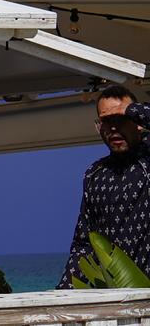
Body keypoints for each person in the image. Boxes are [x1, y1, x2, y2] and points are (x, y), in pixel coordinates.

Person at [59, 84, 150, 287]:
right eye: (107, 121)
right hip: (115, 300)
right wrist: (63, 292)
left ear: (138, 123)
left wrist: (132, 110)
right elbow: (84, 244)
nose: (114, 128)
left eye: (121, 119)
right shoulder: (95, 173)